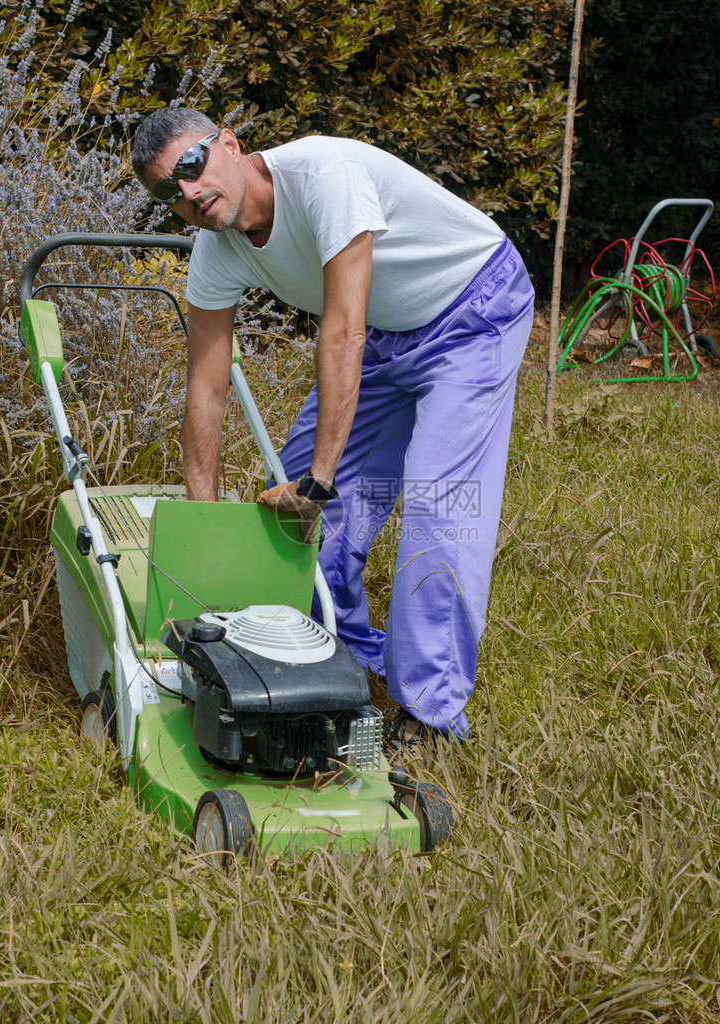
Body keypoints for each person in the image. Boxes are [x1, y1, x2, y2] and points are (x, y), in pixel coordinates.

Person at [131, 107, 534, 766]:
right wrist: (204, 517)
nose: (187, 193)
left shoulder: (325, 174)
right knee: (288, 520)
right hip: (383, 329)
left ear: (227, 144)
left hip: (470, 310)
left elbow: (340, 332)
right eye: (164, 190)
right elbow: (205, 388)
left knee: (439, 507)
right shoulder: (215, 250)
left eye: (190, 166)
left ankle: (427, 713)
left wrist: (323, 480)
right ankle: (341, 663)